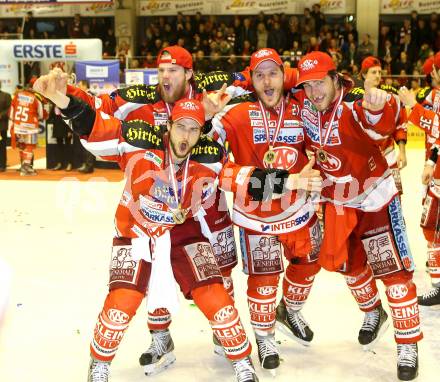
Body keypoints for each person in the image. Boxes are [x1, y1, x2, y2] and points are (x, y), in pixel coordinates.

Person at [34, 71, 259, 382]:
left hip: (183, 232)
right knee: (122, 301)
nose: (186, 136)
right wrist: (61, 99)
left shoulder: (209, 155)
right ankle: (99, 364)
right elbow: (96, 128)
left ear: (201, 132)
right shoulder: (139, 140)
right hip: (136, 230)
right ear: (168, 126)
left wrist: (294, 181)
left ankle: (242, 362)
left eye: (194, 130)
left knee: (214, 295)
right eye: (180, 126)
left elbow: (242, 177)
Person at [293, 51, 422, 381]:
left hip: (376, 199)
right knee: (349, 268)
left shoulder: (352, 103)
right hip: (338, 202)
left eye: (320, 83)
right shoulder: (307, 109)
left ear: (336, 79)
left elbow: (381, 124)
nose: (314, 92)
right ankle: (373, 313)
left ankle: (408, 344)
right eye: (307, 86)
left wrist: (381, 107)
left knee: (394, 274)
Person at [211, 48, 323, 370]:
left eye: (273, 73)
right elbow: (208, 154)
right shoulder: (235, 114)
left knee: (311, 262)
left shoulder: (303, 107)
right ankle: (264, 338)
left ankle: (289, 309)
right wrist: (214, 106)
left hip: (299, 211)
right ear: (252, 81)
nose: (267, 80)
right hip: (256, 217)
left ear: (284, 75)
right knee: (264, 278)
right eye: (259, 75)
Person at [398, 52, 440, 307]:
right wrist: (430, 162)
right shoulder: (434, 96)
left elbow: (438, 127)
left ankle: (438, 285)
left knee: (432, 228)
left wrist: (414, 107)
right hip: (436, 170)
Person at [358, 56, 408, 194]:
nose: (378, 76)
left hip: (389, 157)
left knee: (395, 201)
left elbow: (400, 124)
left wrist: (402, 152)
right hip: (364, 161)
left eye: (379, 72)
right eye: (373, 72)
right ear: (363, 75)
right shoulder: (354, 97)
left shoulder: (391, 96)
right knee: (368, 204)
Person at [8, 84, 44, 176]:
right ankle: (26, 168)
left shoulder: (17, 96)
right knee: (30, 147)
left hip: (18, 126)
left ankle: (23, 166)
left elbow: (11, 114)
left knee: (22, 146)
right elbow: (41, 115)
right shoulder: (35, 99)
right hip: (30, 127)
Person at [0, 82, 11, 172]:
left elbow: (9, 109)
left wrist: (1, 115)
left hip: (1, 126)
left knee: (2, 145)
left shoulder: (6, 96)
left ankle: (2, 165)